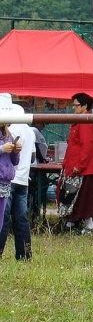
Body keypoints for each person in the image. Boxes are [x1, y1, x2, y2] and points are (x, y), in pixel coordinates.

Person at [61, 93, 93, 233]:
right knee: (80, 197)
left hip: (85, 168)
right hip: (85, 167)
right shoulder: (84, 120)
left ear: (85, 106)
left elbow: (86, 145)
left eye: (76, 105)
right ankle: (75, 222)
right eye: (73, 105)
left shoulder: (85, 121)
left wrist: (79, 165)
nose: (73, 108)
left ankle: (87, 225)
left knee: (83, 198)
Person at [0, 97, 34, 260]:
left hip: (9, 179)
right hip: (22, 179)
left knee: (4, 219)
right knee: (21, 219)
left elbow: (13, 159)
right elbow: (33, 156)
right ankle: (25, 254)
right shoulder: (30, 131)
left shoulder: (12, 131)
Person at [0, 104, 21, 235]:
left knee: (1, 221)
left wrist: (15, 151)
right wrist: (2, 149)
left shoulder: (9, 135)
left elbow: (15, 161)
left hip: (5, 182)